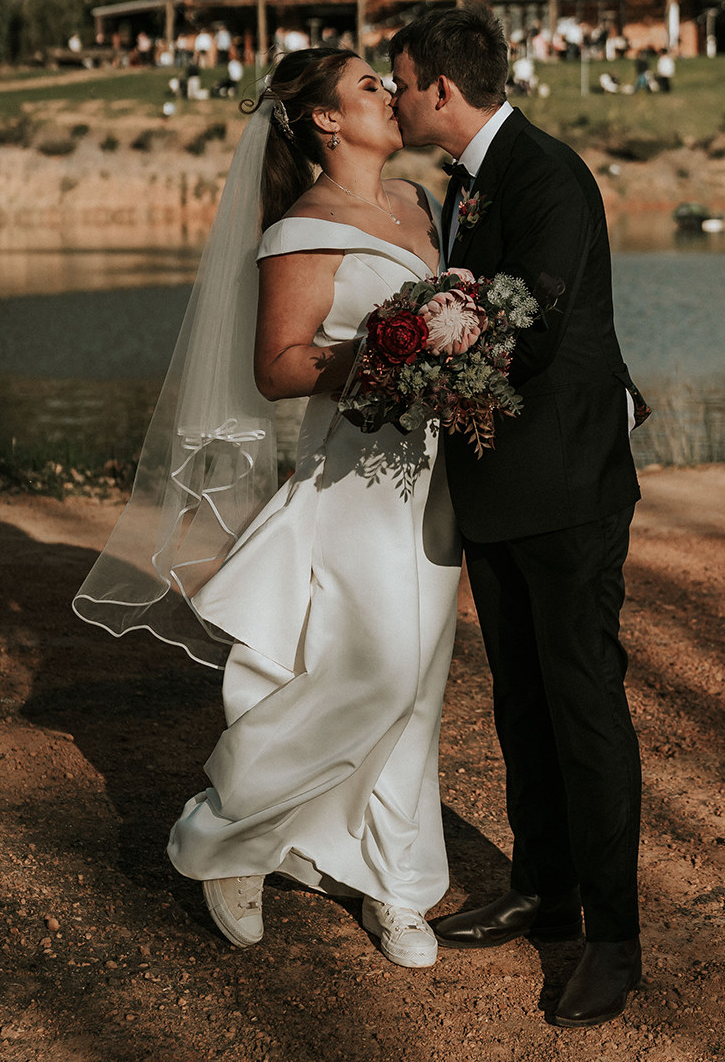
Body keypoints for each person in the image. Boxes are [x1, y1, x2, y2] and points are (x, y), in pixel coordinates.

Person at [73, 48, 461, 970]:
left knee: (423, 688)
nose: (390, 94)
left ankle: (393, 885)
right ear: (326, 120)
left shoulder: (417, 204)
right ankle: (224, 834)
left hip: (437, 480)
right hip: (356, 479)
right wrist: (385, 357)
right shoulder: (302, 229)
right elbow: (278, 366)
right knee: (379, 672)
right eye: (371, 84)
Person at [389, 4, 646, 1030]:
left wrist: (404, 341)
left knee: (582, 706)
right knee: (521, 702)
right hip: (495, 486)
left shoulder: (548, 177)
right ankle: (542, 886)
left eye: (400, 80)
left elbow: (525, 332)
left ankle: (612, 938)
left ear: (440, 90)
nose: (397, 95)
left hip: (567, 487)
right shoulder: (469, 184)